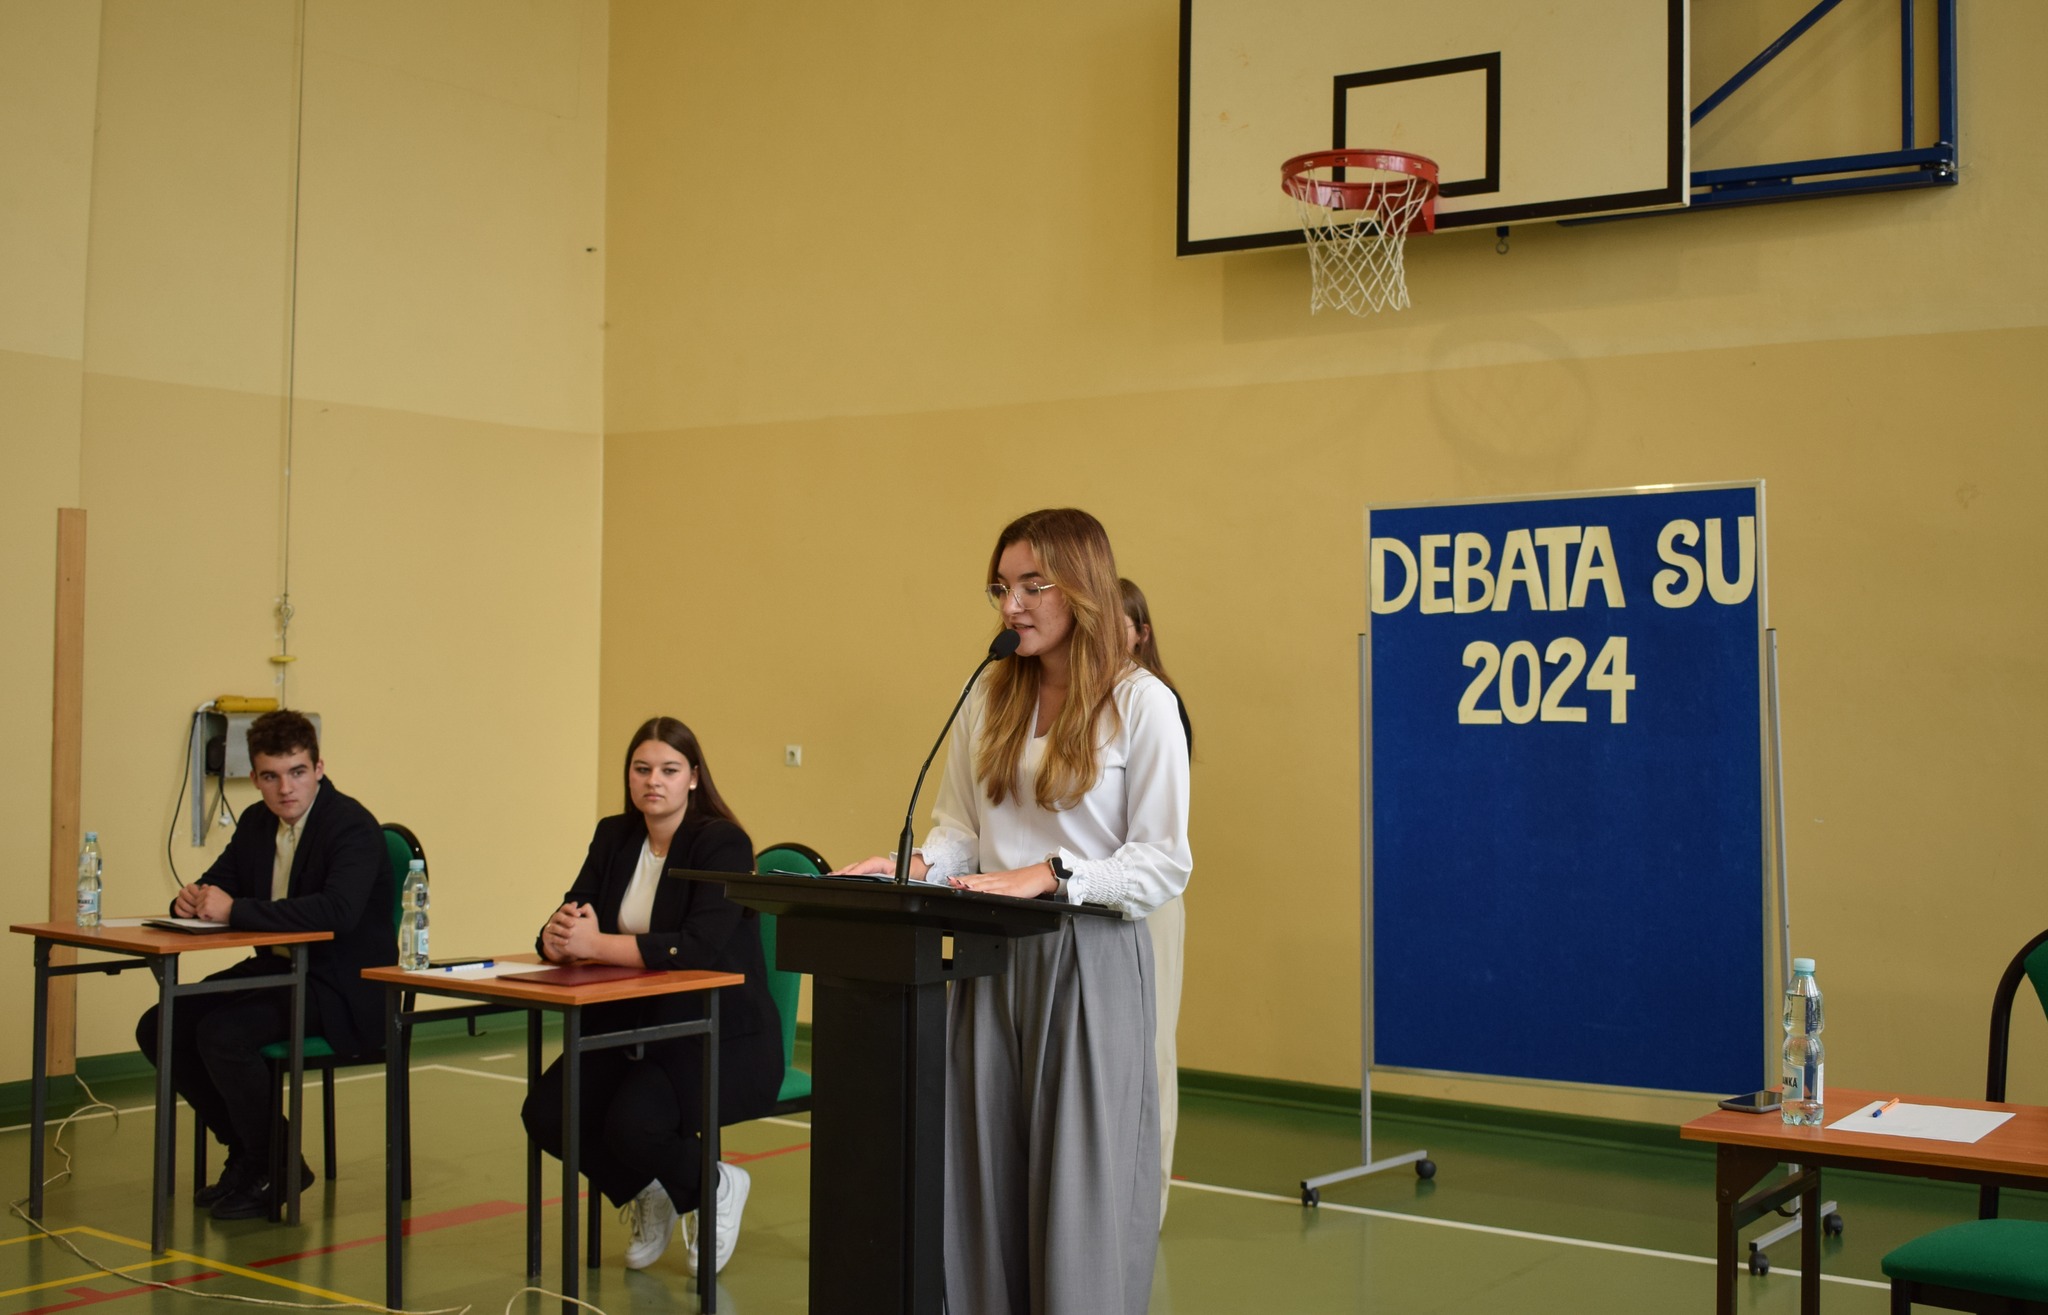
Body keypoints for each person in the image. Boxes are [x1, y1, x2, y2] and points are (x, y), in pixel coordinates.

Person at [839, 508, 1193, 1315]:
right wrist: (913, 864)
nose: (1012, 605)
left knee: (1078, 1189)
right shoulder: (989, 694)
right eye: (1001, 588)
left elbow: (1163, 859)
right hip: (991, 956)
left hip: (1089, 958)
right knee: (983, 1175)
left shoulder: (1142, 703)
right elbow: (961, 829)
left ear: (1083, 587)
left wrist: (1051, 874)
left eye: (1034, 585)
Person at [520, 716, 783, 1277]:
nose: (653, 781)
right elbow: (576, 908)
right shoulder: (614, 835)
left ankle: (715, 1185)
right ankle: (651, 1189)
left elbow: (696, 947)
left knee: (632, 1124)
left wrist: (595, 944)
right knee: (547, 1114)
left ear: (693, 777)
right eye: (642, 769)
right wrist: (554, 940)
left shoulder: (722, 842)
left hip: (716, 1032)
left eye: (668, 770)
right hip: (633, 1023)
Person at [136, 710, 393, 1221]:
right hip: (277, 972)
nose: (285, 789)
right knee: (161, 1024)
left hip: (340, 985)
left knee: (224, 1034)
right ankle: (256, 1155)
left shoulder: (351, 825)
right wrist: (189, 900)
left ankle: (271, 1163)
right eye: (271, 776)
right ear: (254, 778)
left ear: (319, 768)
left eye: (297, 772)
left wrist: (234, 910)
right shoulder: (257, 822)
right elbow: (218, 884)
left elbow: (337, 912)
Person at [1119, 576, 1192, 1226]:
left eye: (1119, 623)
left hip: (1150, 900)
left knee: (1153, 1047)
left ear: (1141, 633)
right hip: (1088, 902)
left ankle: (1152, 1204)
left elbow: (1156, 842)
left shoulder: (1156, 704)